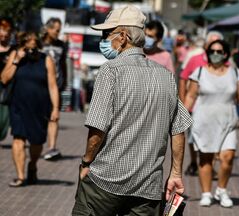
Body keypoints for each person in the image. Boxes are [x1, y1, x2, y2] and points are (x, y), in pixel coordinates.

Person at [71, 5, 192, 216]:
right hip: (147, 187)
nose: (104, 40)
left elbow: (97, 129)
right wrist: (175, 173)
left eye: (106, 34)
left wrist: (86, 162)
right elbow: (179, 129)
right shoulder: (165, 76)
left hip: (105, 181)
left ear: (123, 36)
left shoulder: (110, 71)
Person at [184, 40, 239, 208]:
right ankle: (206, 193)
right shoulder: (199, 72)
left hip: (228, 121)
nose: (215, 54)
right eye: (212, 51)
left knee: (227, 157)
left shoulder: (235, 73)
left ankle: (222, 190)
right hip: (204, 121)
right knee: (205, 159)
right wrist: (182, 117)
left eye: (219, 51)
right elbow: (191, 96)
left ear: (226, 54)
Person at [1, 31, 59, 187]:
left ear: (38, 44)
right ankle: (20, 176)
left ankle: (32, 165)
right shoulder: (15, 56)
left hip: (39, 108)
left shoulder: (46, 60)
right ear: (22, 43)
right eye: (28, 42)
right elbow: (4, 78)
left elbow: (52, 86)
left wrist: (55, 108)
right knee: (18, 138)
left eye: (34, 42)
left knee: (36, 142)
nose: (31, 45)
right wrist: (16, 60)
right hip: (18, 105)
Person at [178, 31, 223, 176]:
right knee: (193, 137)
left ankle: (209, 167)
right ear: (206, 44)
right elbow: (183, 78)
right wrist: (183, 102)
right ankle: (194, 161)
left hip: (216, 107)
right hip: (195, 107)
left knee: (215, 137)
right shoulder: (195, 59)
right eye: (211, 44)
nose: (214, 49)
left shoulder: (225, 62)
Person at [41, 17, 67, 160]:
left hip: (55, 86)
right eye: (56, 30)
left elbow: (63, 64)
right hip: (39, 86)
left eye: (59, 30)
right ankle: (35, 144)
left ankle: (51, 147)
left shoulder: (61, 45)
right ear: (48, 29)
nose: (58, 33)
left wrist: (64, 81)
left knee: (54, 116)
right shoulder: (39, 44)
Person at [0, 18, 14, 142]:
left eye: (7, 31)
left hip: (6, 88)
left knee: (3, 118)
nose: (4, 33)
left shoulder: (13, 50)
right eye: (2, 30)